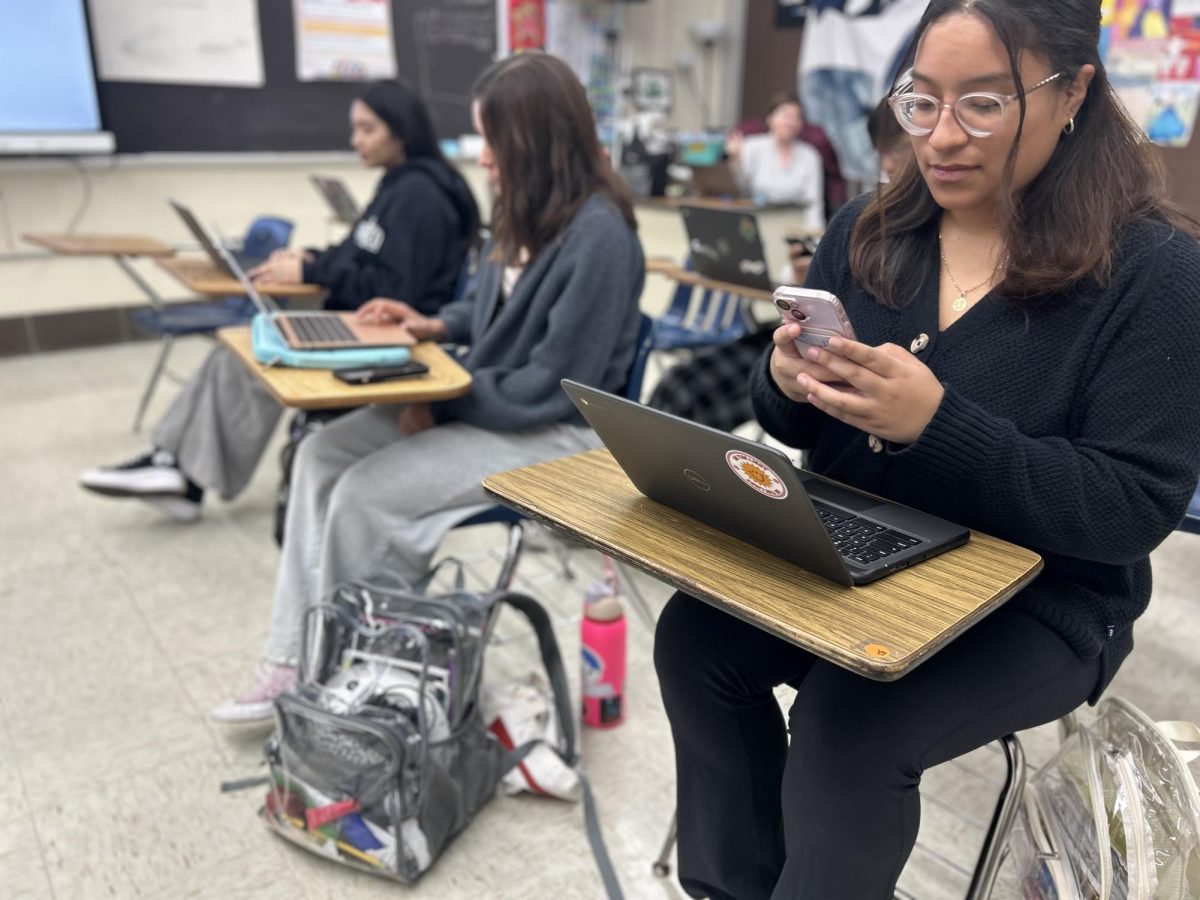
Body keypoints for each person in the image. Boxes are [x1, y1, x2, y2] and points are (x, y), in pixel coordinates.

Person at [654, 1, 1200, 897]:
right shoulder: (870, 232)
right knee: (694, 640)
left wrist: (939, 428)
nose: (942, 137)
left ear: (1073, 95)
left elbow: (1130, 510)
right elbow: (794, 423)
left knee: (851, 723)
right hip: (860, 546)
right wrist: (784, 383)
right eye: (922, 101)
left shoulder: (1154, 275)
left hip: (1043, 594)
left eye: (983, 104)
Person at [211, 51, 645, 723]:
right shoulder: (525, 213)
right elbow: (486, 310)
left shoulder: (601, 237)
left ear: (536, 140)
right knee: (321, 457)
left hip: (553, 431)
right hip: (488, 400)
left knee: (362, 494)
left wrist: (439, 401)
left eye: (493, 142)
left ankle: (346, 674)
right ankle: (294, 654)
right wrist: (431, 321)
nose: (484, 160)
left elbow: (554, 388)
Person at [79, 80, 479, 521]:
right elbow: (357, 254)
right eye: (355, 129)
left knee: (260, 351)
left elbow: (396, 292)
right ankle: (172, 463)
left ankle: (179, 471)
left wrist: (315, 272)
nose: (355, 141)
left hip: (395, 339)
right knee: (245, 339)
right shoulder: (396, 185)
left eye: (367, 129)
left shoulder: (422, 197)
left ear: (401, 130)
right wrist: (312, 258)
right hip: (362, 321)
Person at [725, 94, 826, 231]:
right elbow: (740, 191)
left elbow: (814, 205)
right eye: (785, 116)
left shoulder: (810, 156)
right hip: (756, 223)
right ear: (770, 119)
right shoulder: (751, 147)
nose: (790, 122)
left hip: (794, 228)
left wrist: (816, 243)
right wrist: (735, 159)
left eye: (796, 117)